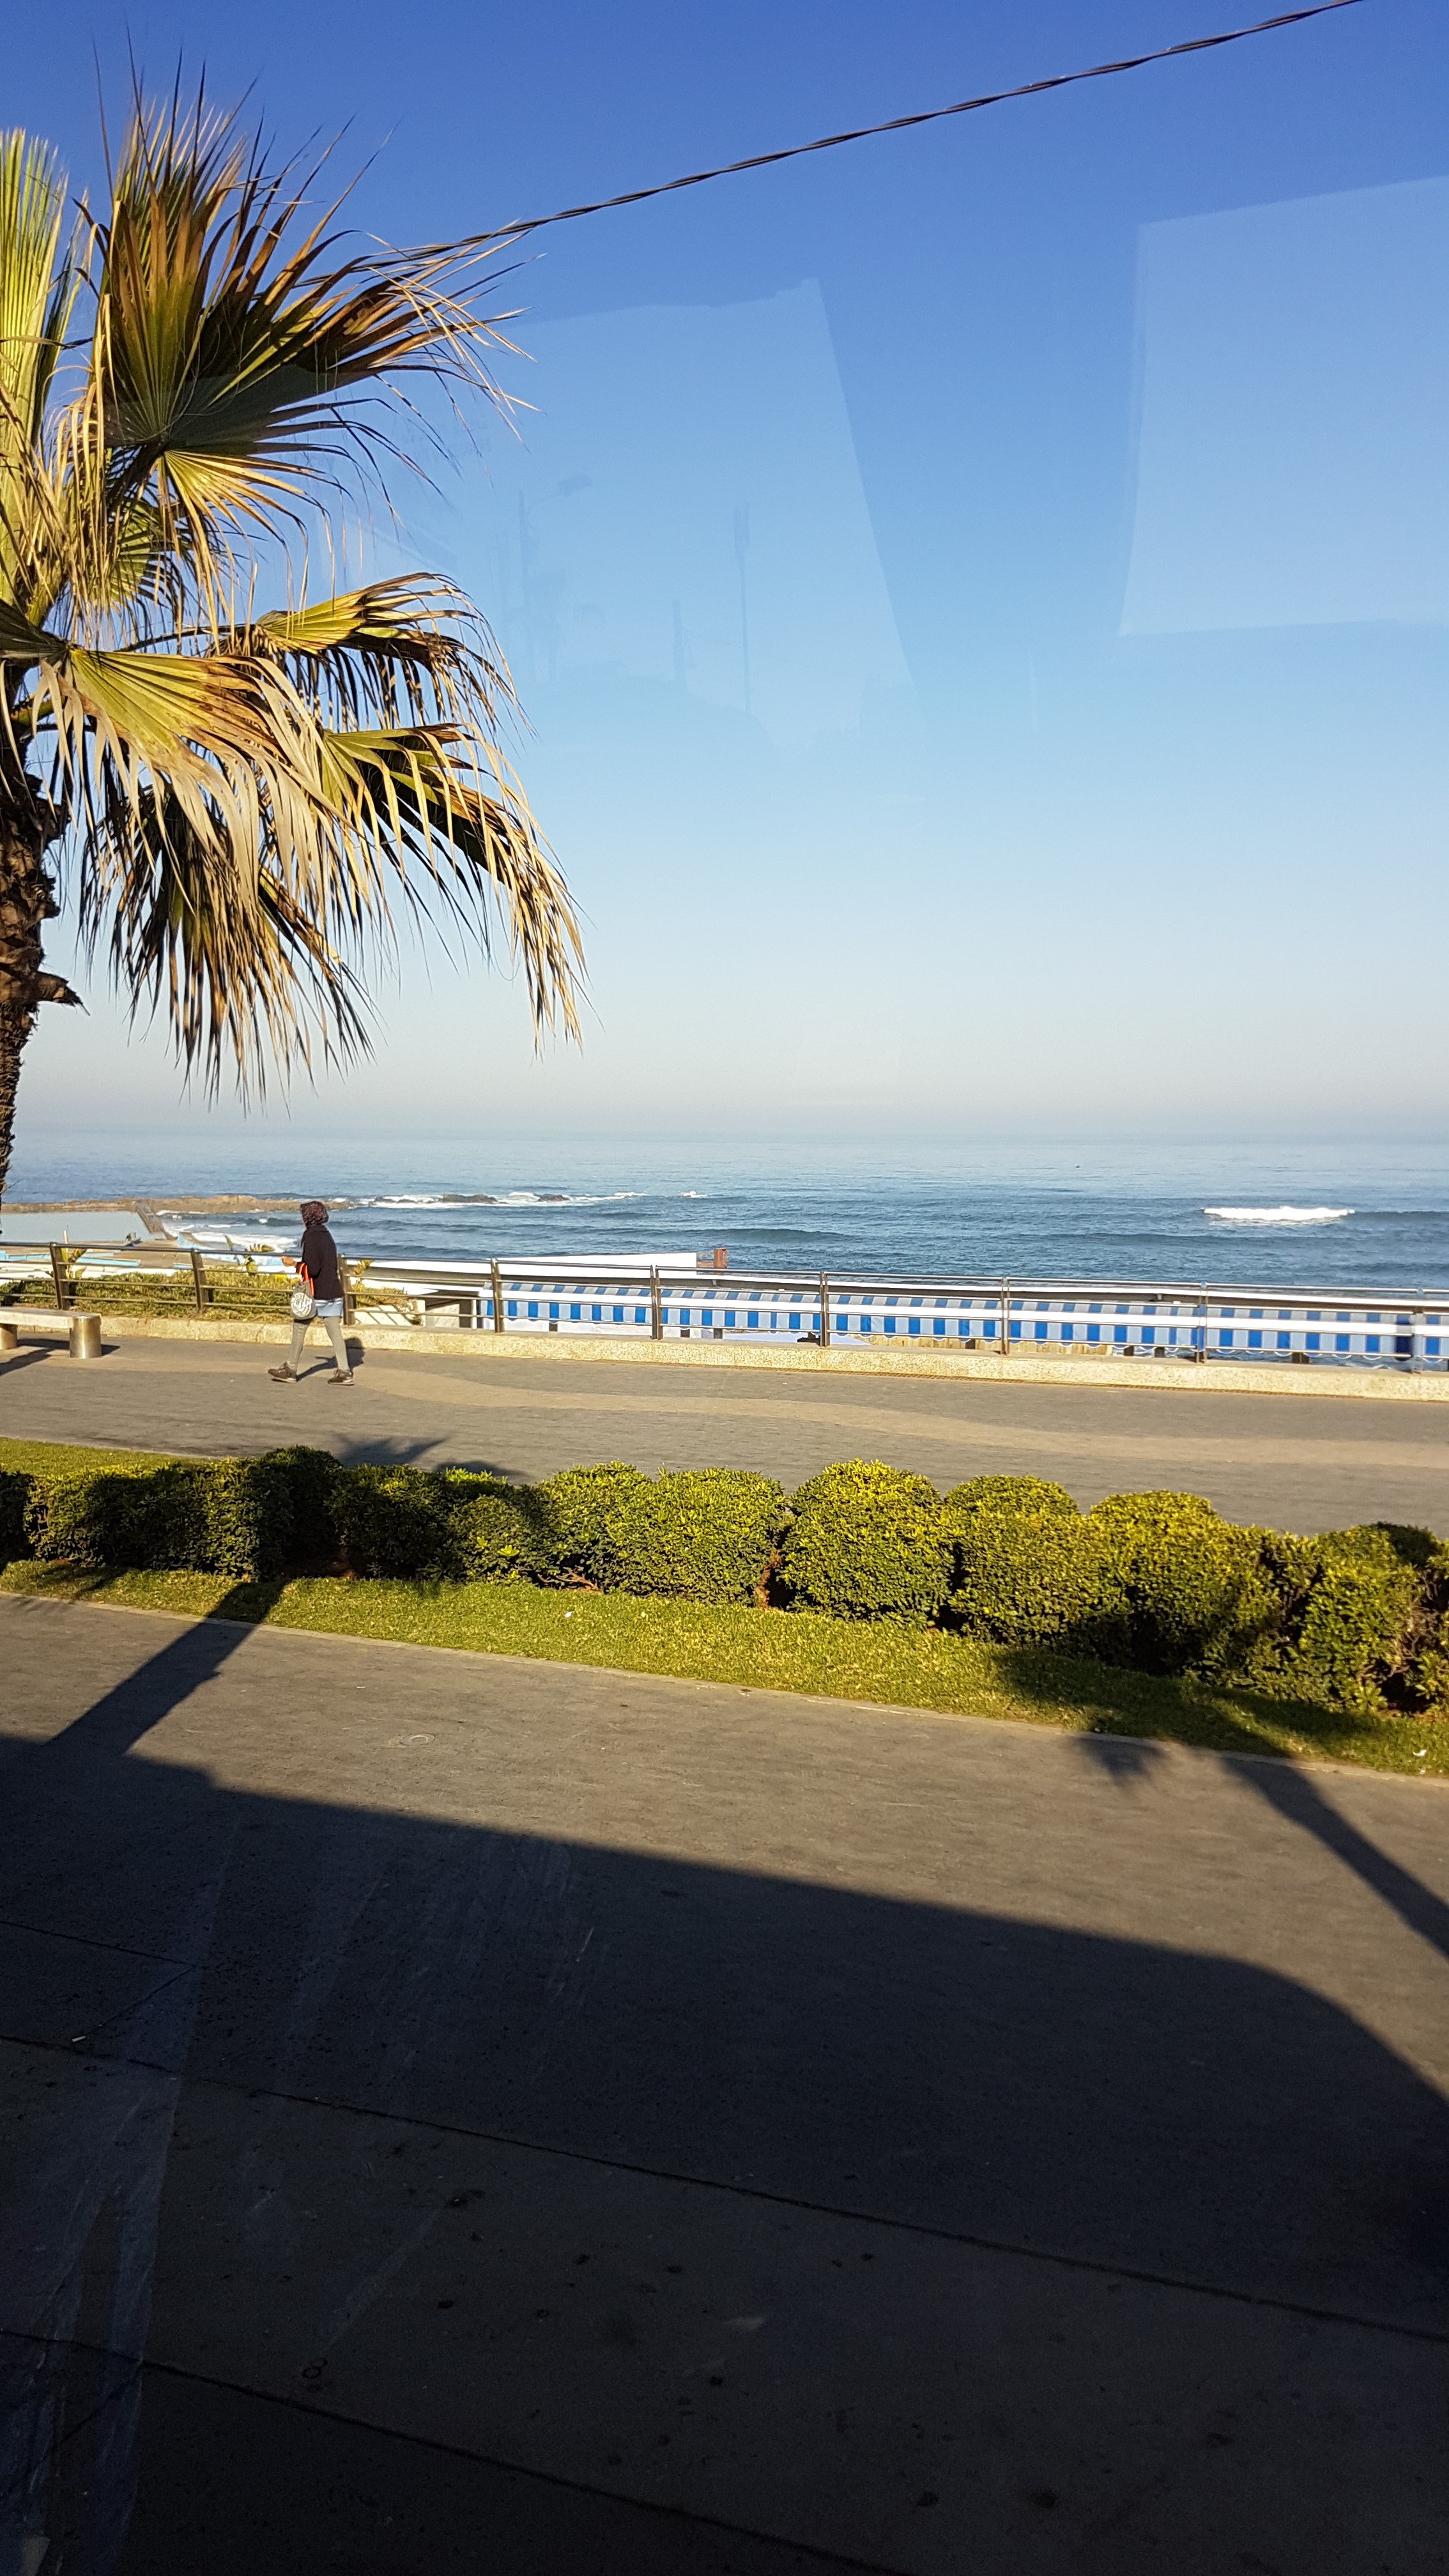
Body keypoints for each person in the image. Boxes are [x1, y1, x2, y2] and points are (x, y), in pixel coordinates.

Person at [268, 1201, 353, 1384]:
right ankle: (345, 1371)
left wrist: (294, 1264)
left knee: (299, 1326)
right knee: (335, 1332)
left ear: (308, 1218)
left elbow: (312, 1269)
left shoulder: (311, 1236)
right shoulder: (327, 1235)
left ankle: (291, 1370)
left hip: (316, 1293)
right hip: (333, 1291)